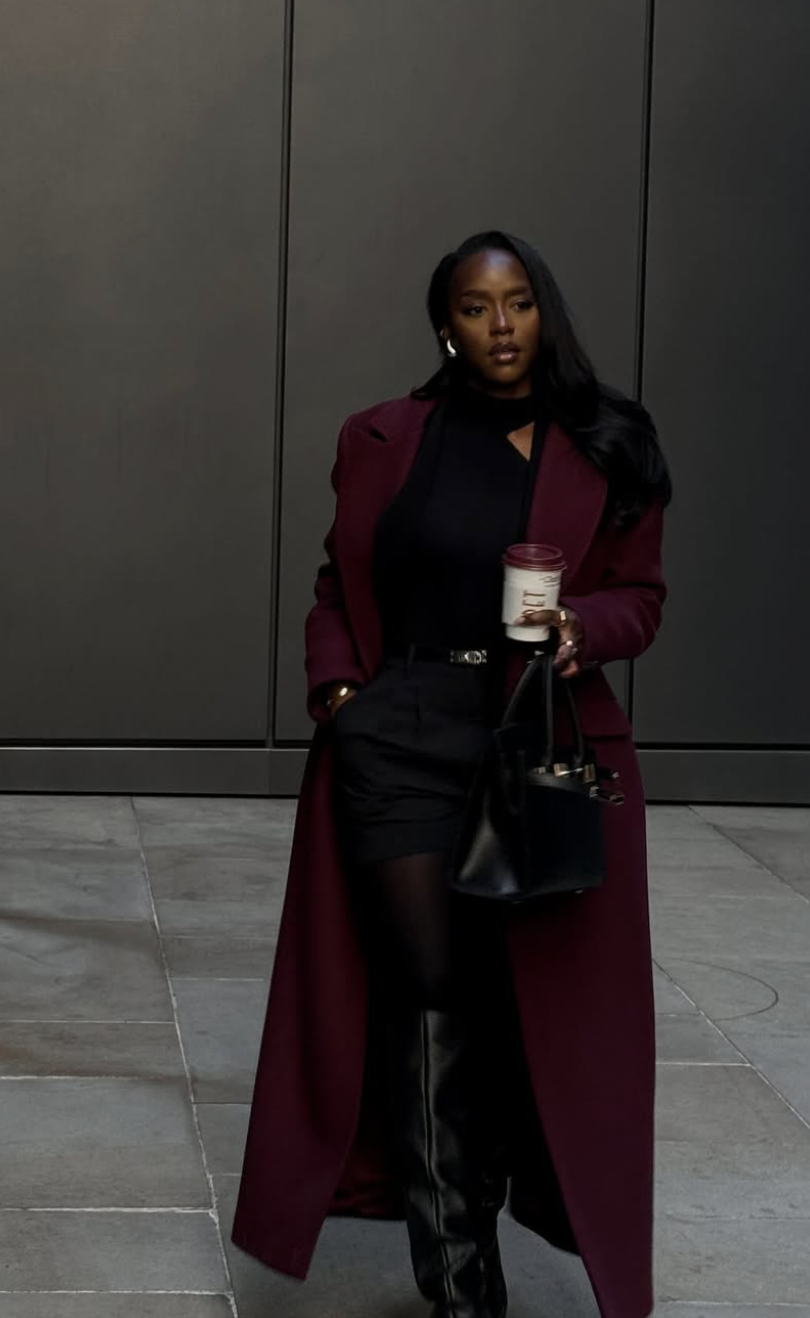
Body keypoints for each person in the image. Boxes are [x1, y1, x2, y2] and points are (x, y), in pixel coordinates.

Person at [232, 230, 671, 1318]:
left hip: (535, 732)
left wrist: (580, 627)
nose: (501, 326)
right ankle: (462, 1286)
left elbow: (641, 598)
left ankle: (495, 1187)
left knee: (519, 994)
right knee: (428, 985)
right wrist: (342, 694)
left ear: (544, 312)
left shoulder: (607, 441)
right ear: (446, 327)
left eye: (518, 303)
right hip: (403, 730)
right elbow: (336, 583)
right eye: (476, 308)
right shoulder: (383, 437)